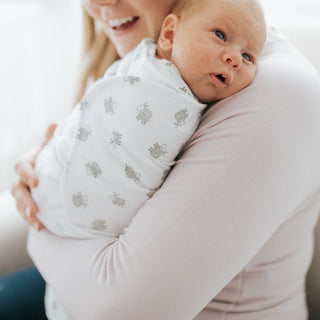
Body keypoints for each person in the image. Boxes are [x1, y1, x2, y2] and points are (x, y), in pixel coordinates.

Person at [4, 0, 320, 319]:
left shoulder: (271, 93)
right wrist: (49, 154)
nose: (99, 2)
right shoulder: (162, 56)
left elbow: (120, 311)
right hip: (71, 282)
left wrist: (42, 209)